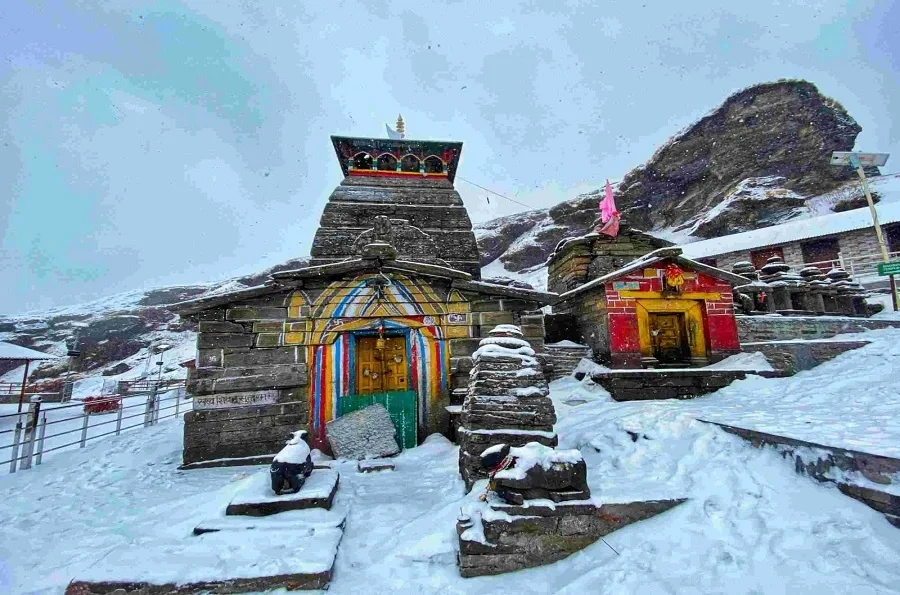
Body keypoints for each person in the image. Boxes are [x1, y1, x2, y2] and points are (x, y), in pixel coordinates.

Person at [269, 430, 314, 495]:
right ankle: (294, 483)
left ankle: (279, 486)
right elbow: (307, 461)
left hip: (277, 464)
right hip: (291, 465)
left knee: (278, 474)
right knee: (295, 473)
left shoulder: (291, 447)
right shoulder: (303, 447)